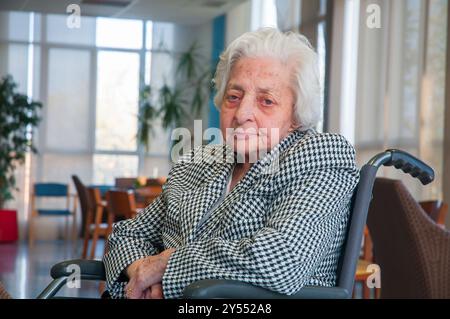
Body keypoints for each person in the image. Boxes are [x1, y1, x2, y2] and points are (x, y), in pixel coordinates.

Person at [103, 27, 359, 299]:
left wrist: (165, 267)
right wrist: (140, 271)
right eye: (234, 97)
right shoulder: (196, 163)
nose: (242, 113)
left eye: (267, 101)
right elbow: (127, 235)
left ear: (295, 116)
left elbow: (281, 260)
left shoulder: (321, 155)